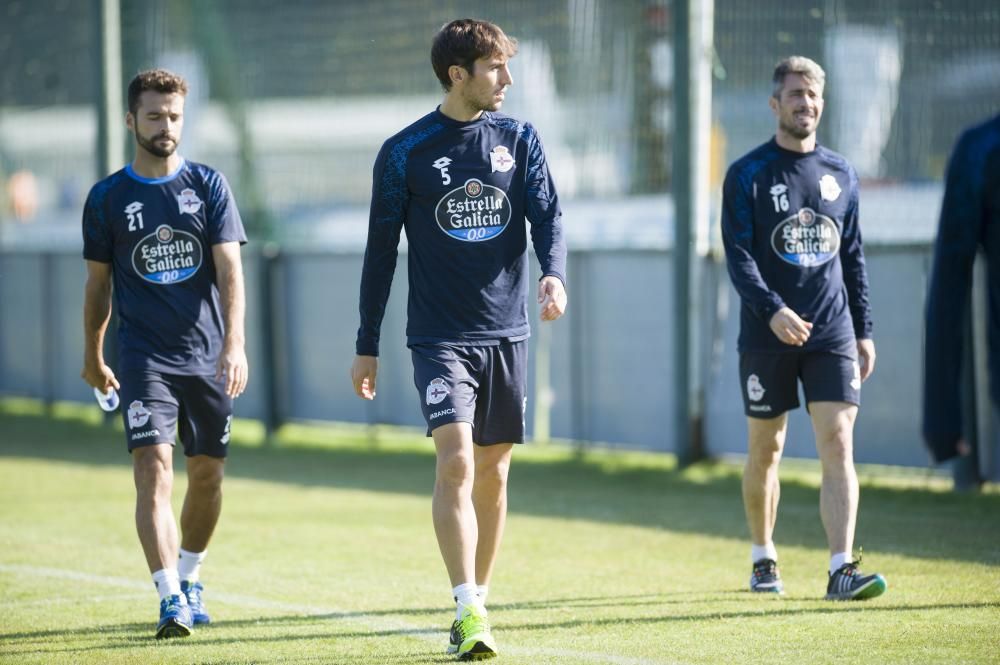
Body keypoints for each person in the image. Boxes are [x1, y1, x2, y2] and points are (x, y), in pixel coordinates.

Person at [350, 19, 567, 660]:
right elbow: (379, 251)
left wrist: (553, 274)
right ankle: (466, 607)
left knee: (494, 474)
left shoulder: (520, 139)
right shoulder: (404, 152)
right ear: (458, 75)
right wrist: (367, 341)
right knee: (458, 462)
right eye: (495, 66)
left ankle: (481, 597)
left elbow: (548, 215)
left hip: (508, 333)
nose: (506, 78)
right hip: (439, 337)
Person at [81, 68, 248, 638]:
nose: (166, 126)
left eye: (174, 115)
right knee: (153, 472)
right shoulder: (107, 198)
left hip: (206, 359)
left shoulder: (209, 186)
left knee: (207, 476)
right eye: (154, 115)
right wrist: (92, 353)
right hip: (142, 359)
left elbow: (231, 272)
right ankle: (169, 598)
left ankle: (191, 574)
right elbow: (98, 286)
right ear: (131, 120)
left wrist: (235, 345)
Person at [720, 56, 886, 601]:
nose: (805, 103)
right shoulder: (747, 174)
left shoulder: (841, 174)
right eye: (795, 94)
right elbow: (739, 255)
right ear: (775, 104)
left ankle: (841, 567)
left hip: (832, 332)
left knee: (838, 442)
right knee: (767, 448)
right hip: (768, 333)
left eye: (813, 95)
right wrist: (771, 309)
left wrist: (863, 329)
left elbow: (853, 256)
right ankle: (763, 556)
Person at [923, 113, 1000, 472]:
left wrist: (942, 422)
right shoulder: (982, 148)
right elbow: (950, 280)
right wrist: (942, 418)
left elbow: (948, 282)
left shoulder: (981, 146)